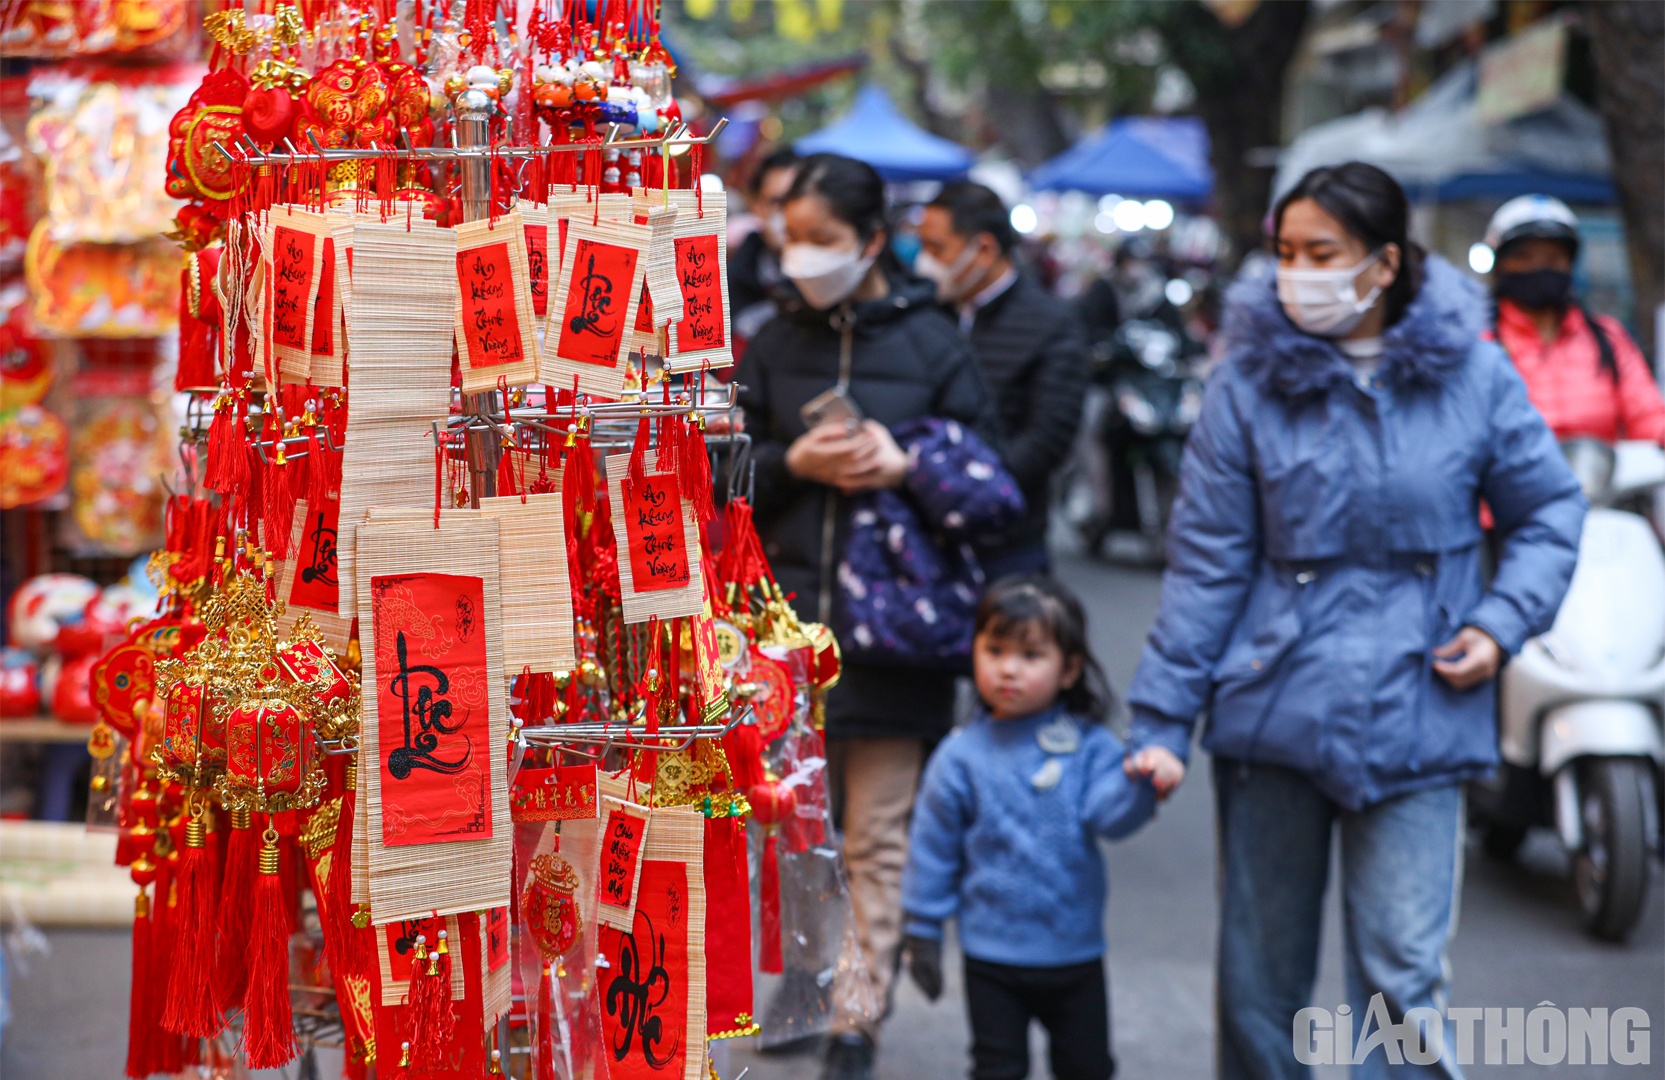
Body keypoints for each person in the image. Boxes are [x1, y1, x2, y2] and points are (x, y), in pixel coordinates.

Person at [1123, 163, 1586, 1079]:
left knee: (1401, 987)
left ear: (1381, 264)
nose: (1295, 272)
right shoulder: (1244, 385)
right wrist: (1162, 720)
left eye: (1319, 253)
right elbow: (1206, 566)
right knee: (1261, 990)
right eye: (1283, 251)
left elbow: (1547, 514)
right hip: (1271, 716)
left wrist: (1498, 625)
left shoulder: (1475, 374)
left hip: (1423, 711)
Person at [734, 152, 999, 1080]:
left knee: (875, 833)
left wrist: (904, 467)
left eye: (821, 240)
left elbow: (987, 484)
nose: (798, 254)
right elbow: (721, 481)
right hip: (781, 636)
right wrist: (791, 464)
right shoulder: (766, 343)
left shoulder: (935, 347)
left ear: (872, 242)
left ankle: (857, 1013)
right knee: (795, 824)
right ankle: (808, 980)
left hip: (898, 642)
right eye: (788, 235)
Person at [899, 576, 1172, 1080]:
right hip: (990, 955)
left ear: (1069, 669)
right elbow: (933, 847)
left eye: (1029, 655)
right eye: (994, 649)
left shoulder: (1090, 748)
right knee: (997, 1067)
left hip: (1074, 951)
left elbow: (1109, 817)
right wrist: (923, 929)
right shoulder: (960, 757)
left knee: (1087, 1067)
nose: (1008, 668)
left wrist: (1144, 785)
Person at [916, 182, 1086, 576]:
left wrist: (958, 488)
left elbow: (1047, 440)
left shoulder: (1050, 325)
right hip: (922, 538)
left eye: (937, 248)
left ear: (985, 250)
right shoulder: (926, 314)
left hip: (1007, 543)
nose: (924, 261)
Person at [1484, 194, 1665, 445]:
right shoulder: (1479, 342)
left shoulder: (1607, 337)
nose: (1540, 267)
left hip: (1601, 478)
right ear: (1500, 264)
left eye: (1552, 258)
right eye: (1524, 257)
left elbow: (1647, 415)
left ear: (1570, 264)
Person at [729, 146, 800, 347]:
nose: (790, 212)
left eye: (797, 199)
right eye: (777, 202)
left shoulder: (827, 286)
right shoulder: (725, 288)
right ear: (755, 205)